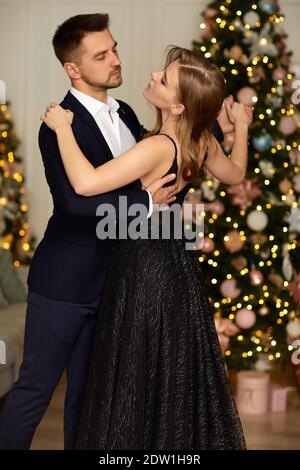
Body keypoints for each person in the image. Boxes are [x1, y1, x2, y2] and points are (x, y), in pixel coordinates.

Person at [0, 13, 230, 451]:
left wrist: (221, 123)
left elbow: (176, 136)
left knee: (89, 401)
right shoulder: (58, 123)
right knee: (34, 391)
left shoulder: (125, 112)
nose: (116, 61)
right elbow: (74, 202)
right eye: (101, 55)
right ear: (73, 68)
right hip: (64, 283)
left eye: (115, 48)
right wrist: (145, 202)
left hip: (117, 283)